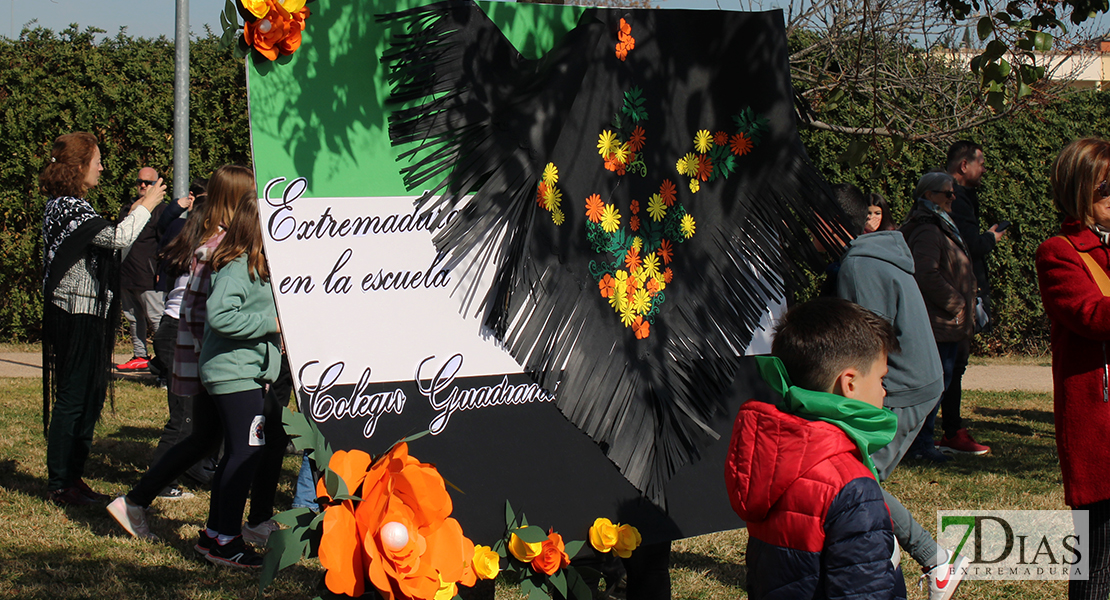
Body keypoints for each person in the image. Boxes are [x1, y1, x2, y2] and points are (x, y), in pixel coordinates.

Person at [829, 183, 967, 599]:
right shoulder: (872, 255)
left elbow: (872, 344)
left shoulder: (860, 265)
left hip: (904, 385)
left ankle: (935, 560)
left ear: (830, 223)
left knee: (855, 481)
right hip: (909, 379)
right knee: (853, 479)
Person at [107, 165, 255, 539]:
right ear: (238, 200)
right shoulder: (219, 248)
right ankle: (221, 533)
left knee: (204, 440)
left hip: (204, 352)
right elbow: (204, 314)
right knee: (226, 442)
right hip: (213, 356)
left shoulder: (215, 240)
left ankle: (139, 501)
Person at [725, 297, 906, 600]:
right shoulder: (852, 487)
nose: (884, 390)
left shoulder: (773, 456)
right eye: (881, 377)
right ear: (849, 384)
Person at [41, 132, 165, 506]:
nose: (102, 166)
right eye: (97, 160)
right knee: (74, 397)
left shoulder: (73, 206)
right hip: (76, 313)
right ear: (79, 166)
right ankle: (60, 482)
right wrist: (147, 204)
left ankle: (73, 477)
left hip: (89, 312)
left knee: (90, 396)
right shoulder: (66, 207)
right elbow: (116, 238)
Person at [1036, 137, 1110, 600]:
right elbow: (1091, 317)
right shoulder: (1060, 252)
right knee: (1098, 559)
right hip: (1099, 429)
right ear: (1079, 191)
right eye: (1107, 187)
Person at [196, 188, 282, 568]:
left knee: (237, 453)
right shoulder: (236, 267)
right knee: (246, 453)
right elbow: (219, 315)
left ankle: (215, 534)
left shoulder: (255, 264)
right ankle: (227, 541)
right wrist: (271, 325)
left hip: (244, 373)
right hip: (234, 375)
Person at [901, 171, 989, 459]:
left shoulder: (939, 224)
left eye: (952, 193)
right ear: (928, 196)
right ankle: (921, 446)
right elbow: (924, 271)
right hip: (938, 322)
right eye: (947, 193)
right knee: (934, 385)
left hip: (945, 323)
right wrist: (956, 304)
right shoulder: (928, 228)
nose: (953, 198)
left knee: (940, 383)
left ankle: (922, 444)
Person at [940, 141, 1003, 456]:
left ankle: (948, 429)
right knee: (952, 362)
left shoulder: (959, 198)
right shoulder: (956, 200)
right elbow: (968, 246)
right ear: (963, 165)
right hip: (959, 292)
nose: (984, 168)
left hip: (959, 290)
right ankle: (950, 430)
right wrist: (991, 238)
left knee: (953, 362)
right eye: (981, 162)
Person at [115, 166, 168, 373]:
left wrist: (160, 270)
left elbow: (165, 242)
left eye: (148, 183)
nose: (143, 186)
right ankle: (140, 356)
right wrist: (136, 207)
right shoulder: (128, 207)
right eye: (140, 182)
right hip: (127, 274)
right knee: (132, 317)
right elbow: (120, 232)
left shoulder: (162, 211)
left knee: (156, 318)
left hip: (148, 276)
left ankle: (164, 359)